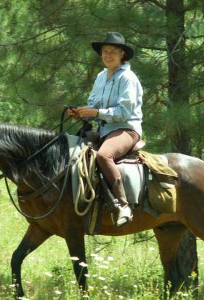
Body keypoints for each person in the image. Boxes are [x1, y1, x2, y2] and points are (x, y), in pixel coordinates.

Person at [68, 32, 143, 227]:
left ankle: (123, 205)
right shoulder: (101, 76)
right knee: (72, 151)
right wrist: (80, 112)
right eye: (105, 51)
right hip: (104, 131)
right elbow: (93, 103)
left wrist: (95, 113)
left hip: (126, 129)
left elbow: (124, 113)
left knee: (103, 156)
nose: (107, 55)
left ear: (122, 55)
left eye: (112, 52)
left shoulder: (128, 78)